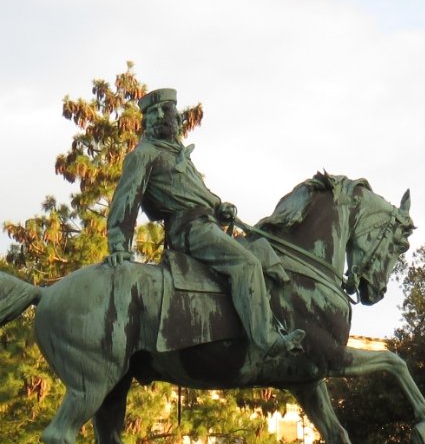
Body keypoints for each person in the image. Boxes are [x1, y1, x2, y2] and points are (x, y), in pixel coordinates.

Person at [105, 87, 305, 358]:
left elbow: (196, 196)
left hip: (207, 223)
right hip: (188, 231)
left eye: (168, 111)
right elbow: (126, 199)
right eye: (155, 113)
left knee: (263, 250)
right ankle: (267, 340)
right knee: (246, 264)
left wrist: (218, 206)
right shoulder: (144, 155)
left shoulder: (179, 156)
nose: (162, 117)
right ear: (146, 121)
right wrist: (119, 245)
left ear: (176, 119)